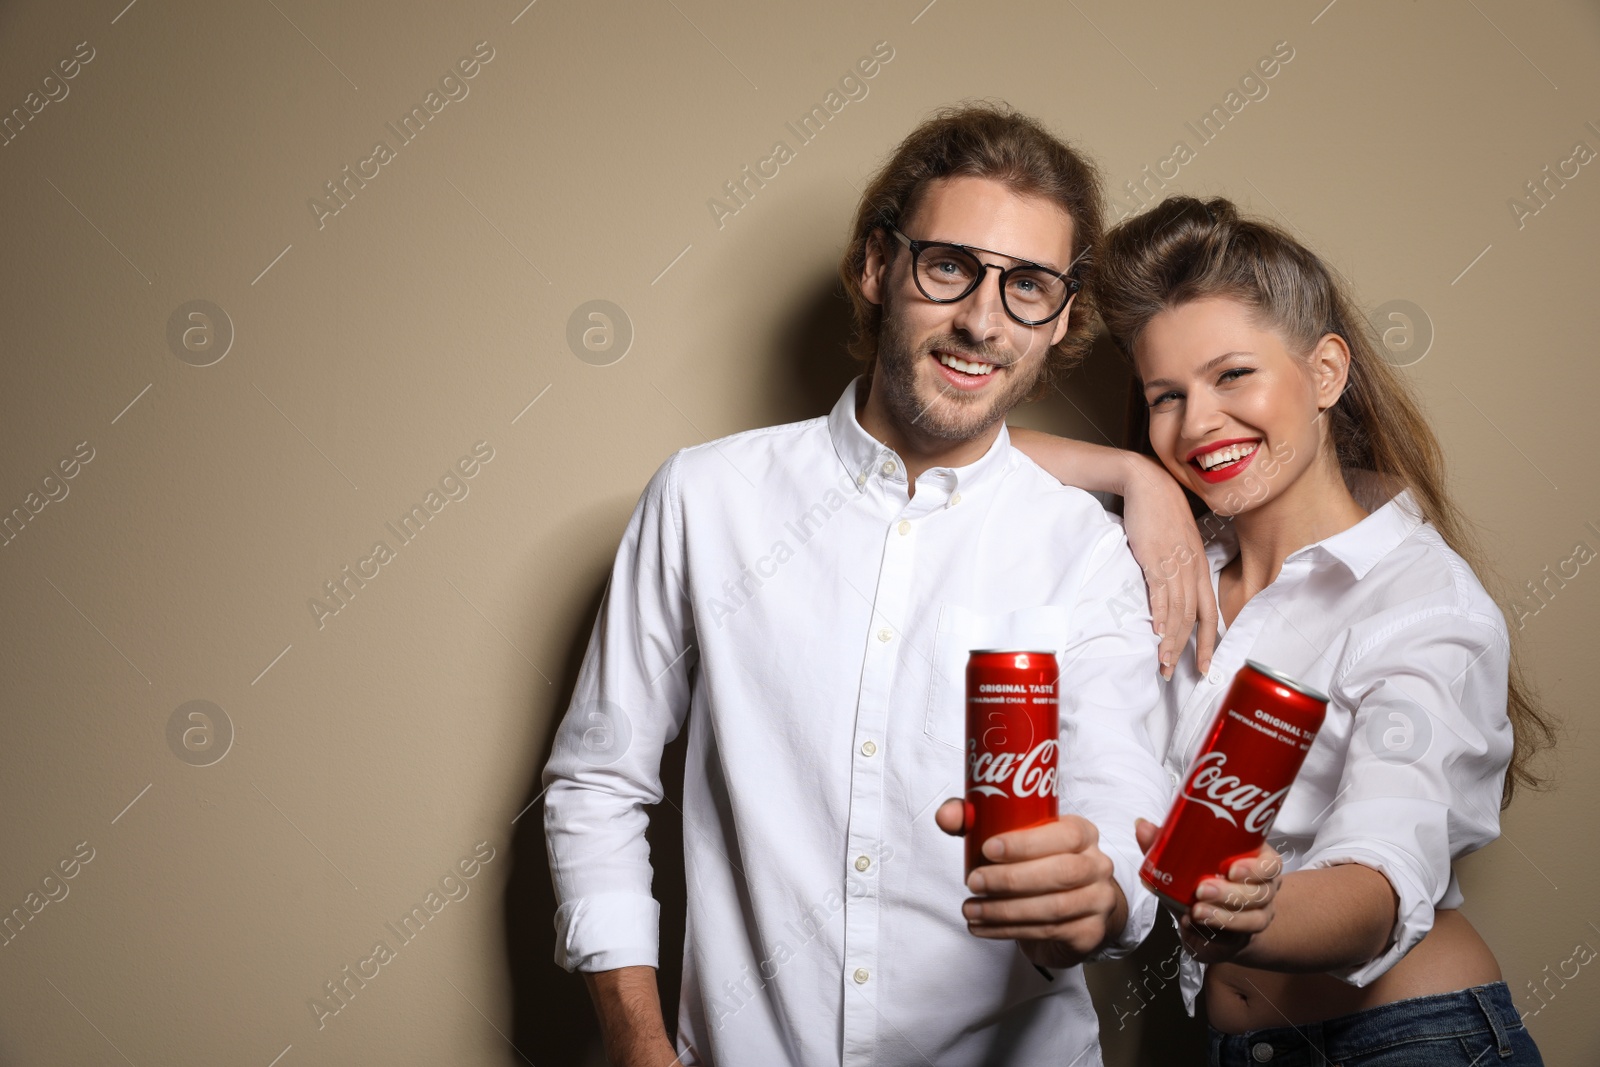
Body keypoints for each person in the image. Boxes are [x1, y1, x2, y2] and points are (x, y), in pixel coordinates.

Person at [539, 104, 1278, 1067]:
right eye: (949, 267)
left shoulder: (1086, 555)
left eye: (1028, 288)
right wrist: (639, 1049)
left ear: (1061, 320)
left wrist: (1098, 898)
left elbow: (1122, 814)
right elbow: (598, 781)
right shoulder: (705, 499)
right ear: (877, 266)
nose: (981, 318)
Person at [1012, 195, 1555, 1065]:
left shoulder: (1422, 601)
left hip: (1409, 1040)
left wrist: (1255, 908)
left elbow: (1383, 876)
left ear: (1327, 372)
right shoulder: (1159, 568)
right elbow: (945, 455)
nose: (1196, 426)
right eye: (1166, 396)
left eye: (1233, 376)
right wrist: (1132, 477)